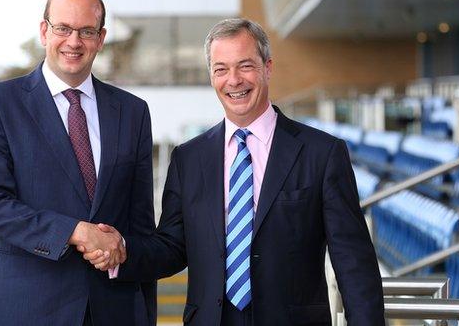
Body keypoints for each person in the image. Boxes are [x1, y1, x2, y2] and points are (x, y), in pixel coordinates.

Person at [85, 18, 385, 325]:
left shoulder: (322, 153)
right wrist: (121, 250)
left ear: (267, 67)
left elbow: (354, 263)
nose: (234, 80)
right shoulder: (189, 158)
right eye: (221, 69)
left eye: (245, 66)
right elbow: (172, 247)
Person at [0, 0, 155, 326]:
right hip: (28, 310)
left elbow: (140, 221)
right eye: (63, 29)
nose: (74, 41)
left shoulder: (133, 112)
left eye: (86, 31)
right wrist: (76, 231)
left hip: (115, 309)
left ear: (101, 38)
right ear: (44, 31)